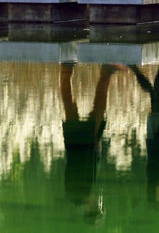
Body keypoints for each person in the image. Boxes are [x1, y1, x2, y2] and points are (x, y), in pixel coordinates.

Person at [60, 62, 125, 223]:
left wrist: (92, 149)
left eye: (97, 207)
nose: (98, 203)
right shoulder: (85, 192)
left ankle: (66, 69)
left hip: (78, 145)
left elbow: (76, 167)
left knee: (71, 105)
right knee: (95, 109)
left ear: (89, 209)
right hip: (86, 145)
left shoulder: (75, 194)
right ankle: (104, 72)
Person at [129, 64, 159, 211]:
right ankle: (146, 68)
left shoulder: (158, 177)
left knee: (157, 90)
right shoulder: (158, 179)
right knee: (155, 92)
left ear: (158, 194)